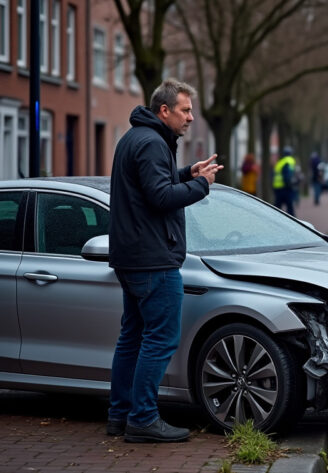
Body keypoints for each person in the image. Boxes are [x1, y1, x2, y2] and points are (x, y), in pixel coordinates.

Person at [108, 78, 222, 443]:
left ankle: (120, 414)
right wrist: (202, 185)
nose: (191, 117)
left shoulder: (136, 138)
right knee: (160, 340)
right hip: (153, 260)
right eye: (185, 110)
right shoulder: (153, 143)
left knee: (132, 338)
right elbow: (159, 197)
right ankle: (143, 418)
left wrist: (187, 173)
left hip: (133, 258)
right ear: (164, 110)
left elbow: (151, 185)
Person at [273, 146, 296, 216]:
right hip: (285, 188)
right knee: (290, 207)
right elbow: (287, 175)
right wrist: (290, 186)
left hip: (277, 187)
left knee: (277, 207)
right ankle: (292, 220)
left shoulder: (281, 162)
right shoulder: (289, 161)